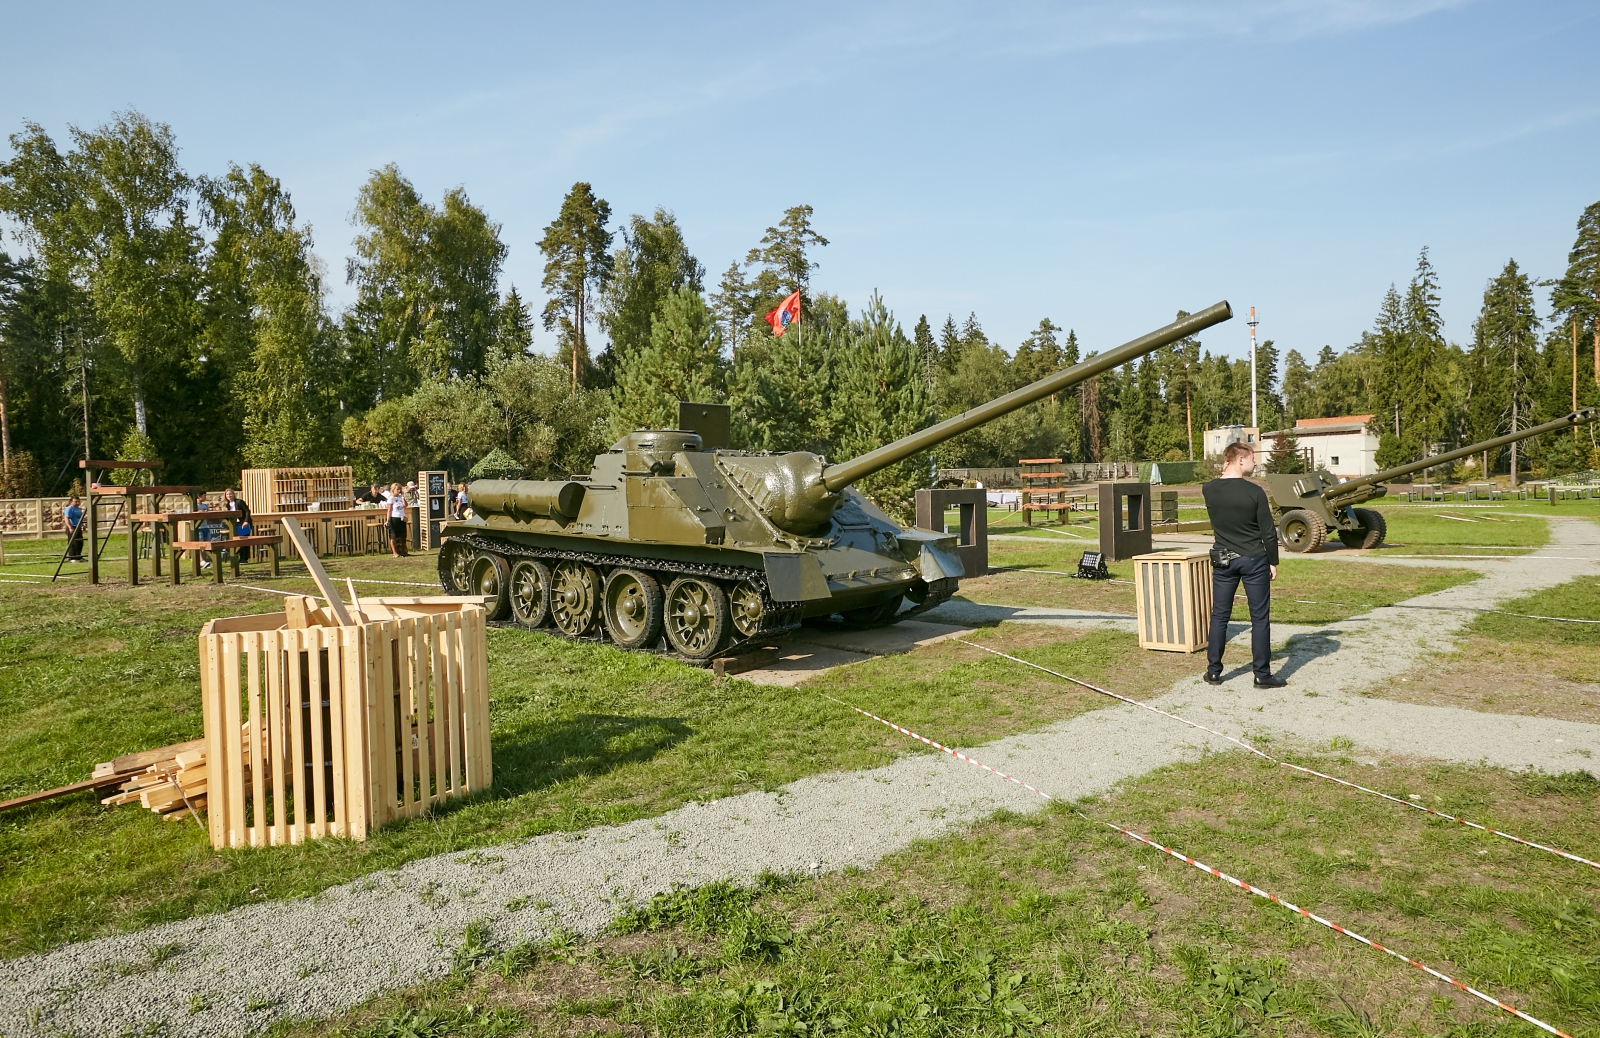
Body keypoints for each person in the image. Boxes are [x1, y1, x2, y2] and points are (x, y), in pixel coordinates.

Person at [1201, 441, 1285, 688]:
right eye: (1252, 458)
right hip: (1253, 559)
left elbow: (1220, 485)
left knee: (1219, 616)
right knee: (1259, 618)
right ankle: (1262, 674)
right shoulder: (1255, 492)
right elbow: (1268, 532)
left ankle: (1213, 671)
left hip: (1223, 559)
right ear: (1240, 460)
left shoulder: (1209, 489)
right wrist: (1272, 561)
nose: (1255, 463)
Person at [221, 488, 252, 561]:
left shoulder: (239, 502)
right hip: (234, 524)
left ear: (233, 494)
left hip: (242, 523)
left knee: (244, 541)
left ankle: (244, 558)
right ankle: (239, 558)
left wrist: (246, 521)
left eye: (230, 494)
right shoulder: (227, 505)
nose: (229, 496)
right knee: (237, 541)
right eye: (227, 494)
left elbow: (247, 511)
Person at [382, 482, 409, 557]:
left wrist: (403, 498)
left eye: (400, 489)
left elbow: (405, 505)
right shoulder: (391, 498)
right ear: (393, 490)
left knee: (402, 535)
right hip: (394, 518)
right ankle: (395, 552)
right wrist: (388, 520)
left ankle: (402, 551)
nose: (399, 491)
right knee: (394, 536)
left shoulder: (400, 497)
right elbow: (389, 510)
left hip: (402, 518)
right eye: (397, 489)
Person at [63, 496, 85, 562]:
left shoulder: (78, 508)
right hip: (72, 527)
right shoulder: (69, 509)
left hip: (78, 527)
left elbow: (80, 518)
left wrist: (83, 525)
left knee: (80, 542)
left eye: (78, 501)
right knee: (73, 542)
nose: (77, 503)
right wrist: (70, 527)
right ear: (71, 501)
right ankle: (72, 558)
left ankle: (78, 556)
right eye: (75, 501)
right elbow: (66, 518)